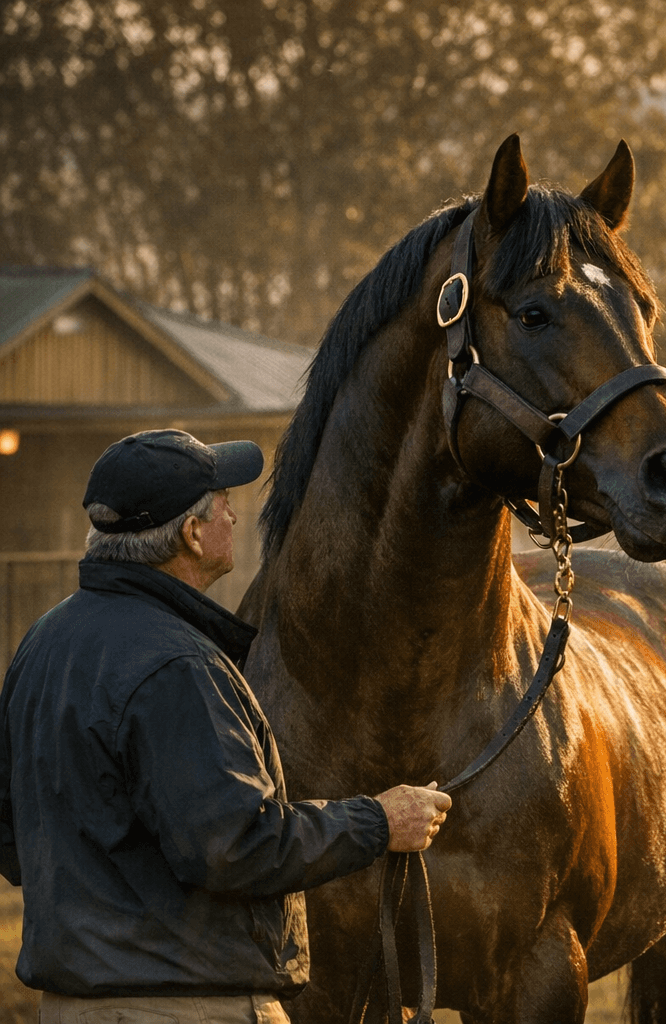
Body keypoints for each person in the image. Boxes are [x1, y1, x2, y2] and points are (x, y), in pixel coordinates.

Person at [0, 429, 452, 1023]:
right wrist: (378, 821)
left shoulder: (42, 642)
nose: (235, 516)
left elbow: (13, 841)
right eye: (223, 503)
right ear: (192, 533)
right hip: (186, 1009)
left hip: (68, 1009)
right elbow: (238, 845)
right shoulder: (178, 666)